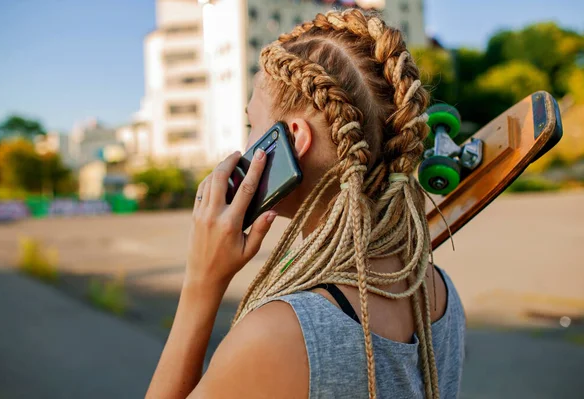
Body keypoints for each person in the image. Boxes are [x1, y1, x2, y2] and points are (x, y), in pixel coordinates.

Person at [146, 8, 465, 399]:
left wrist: (201, 283)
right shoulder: (438, 292)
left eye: (252, 126)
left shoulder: (280, 334)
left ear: (293, 139)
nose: (246, 148)